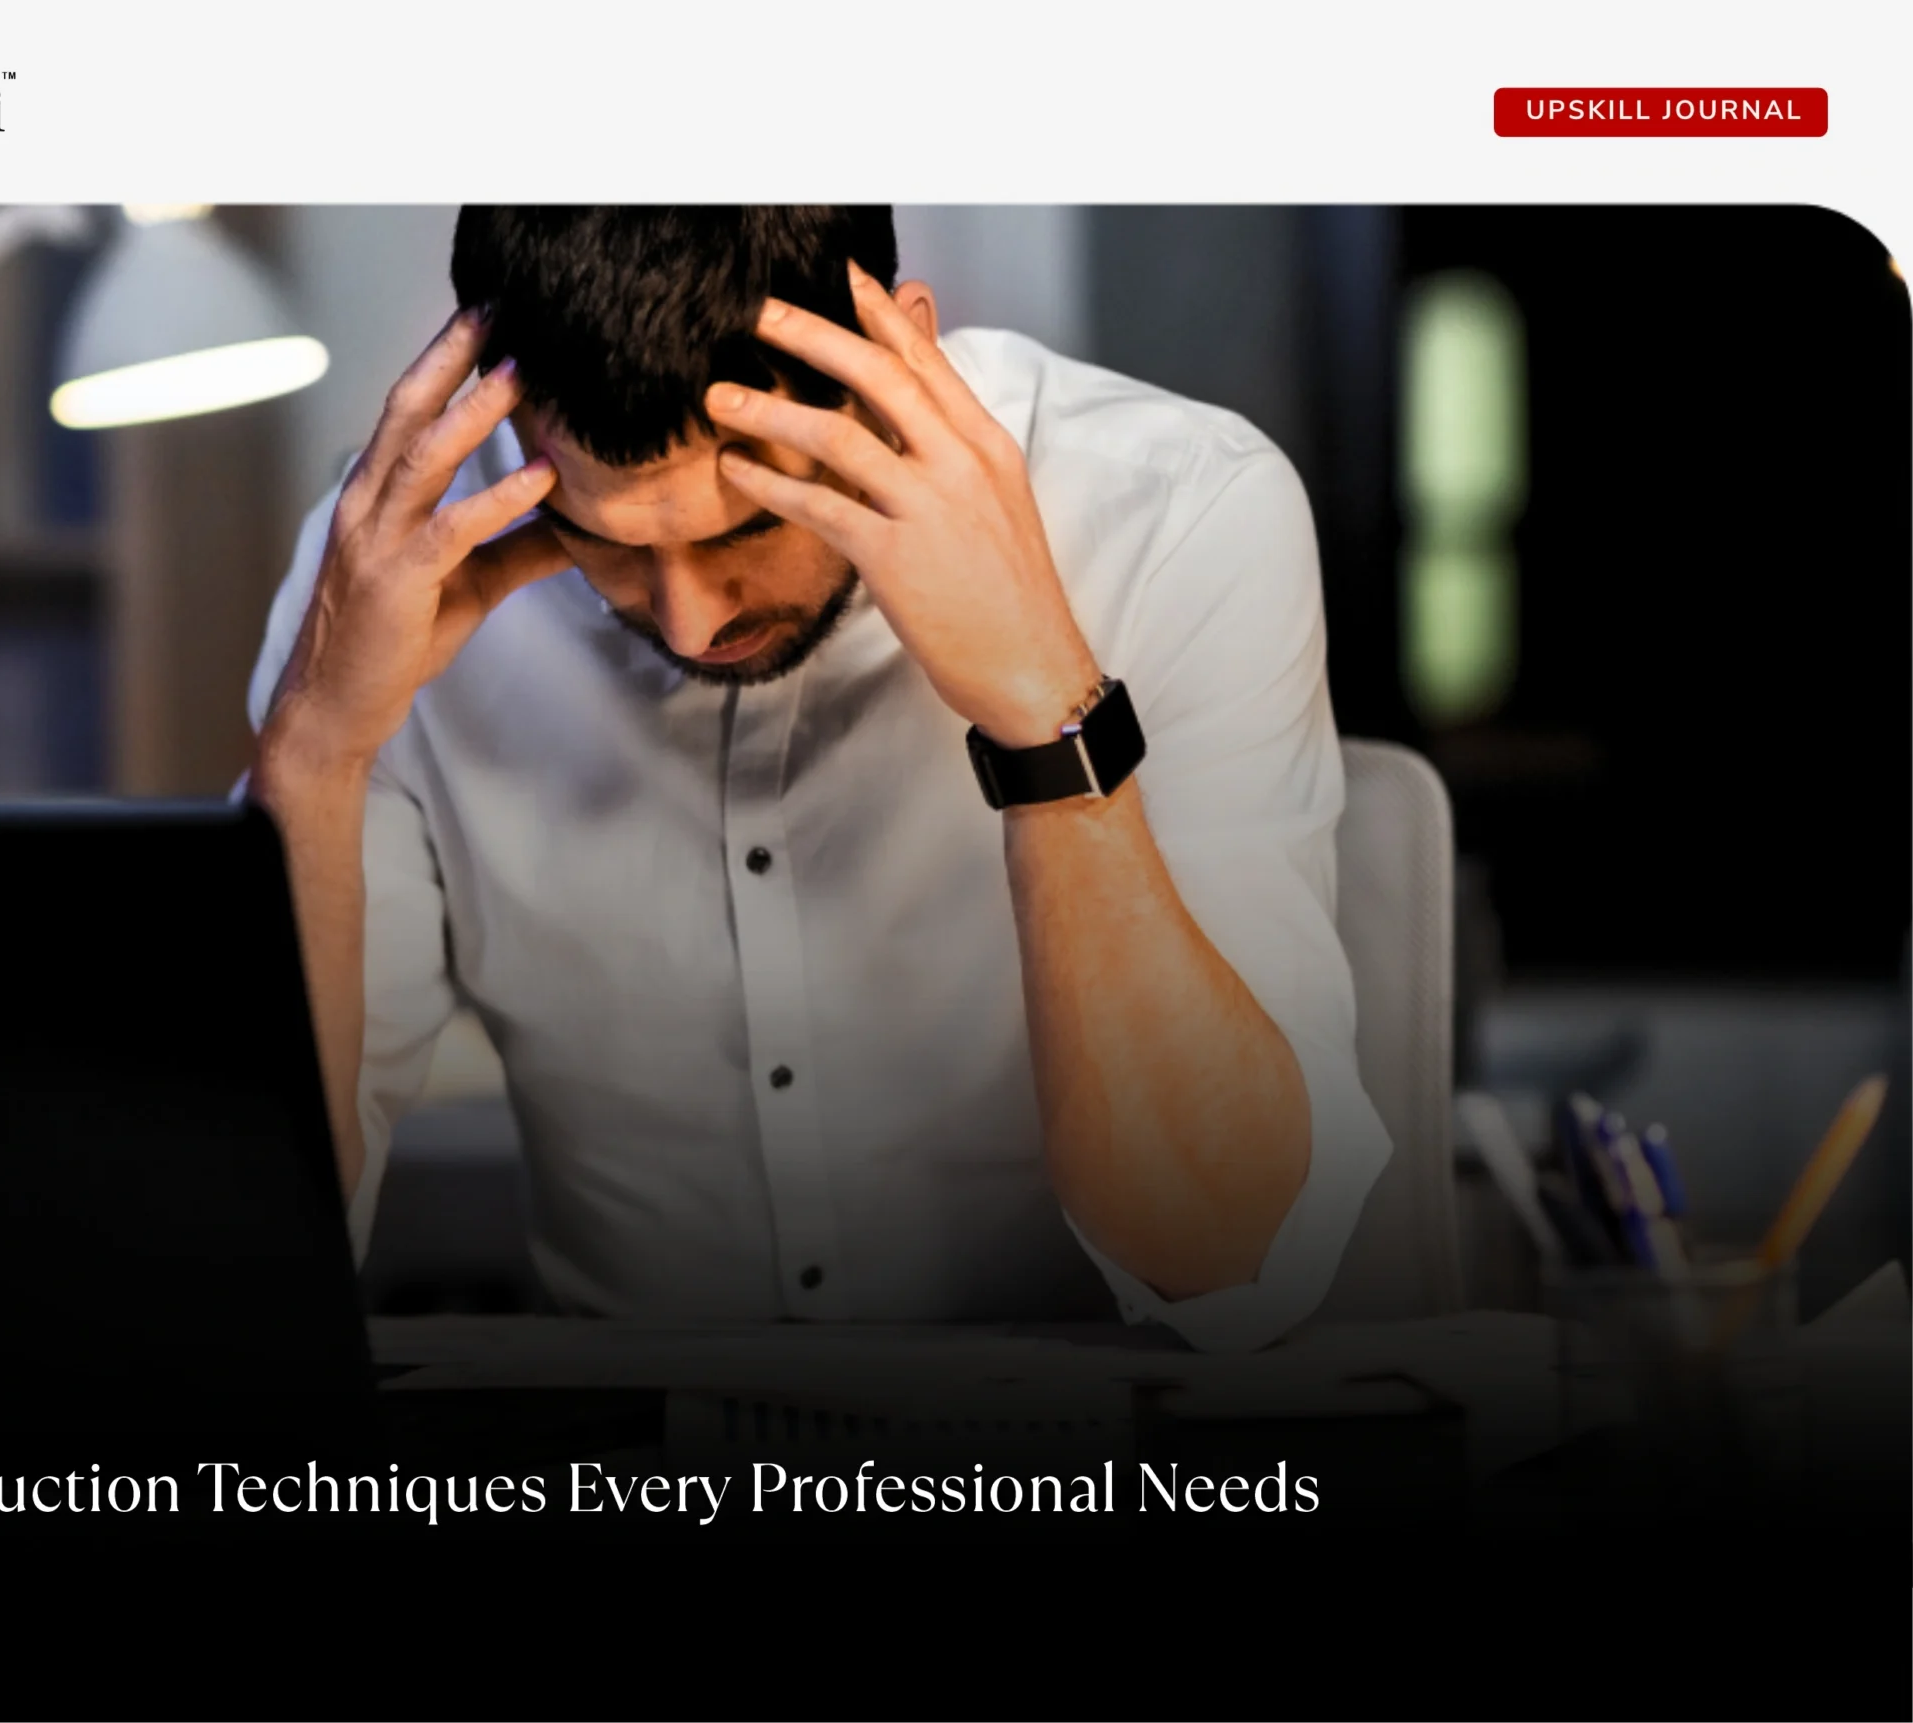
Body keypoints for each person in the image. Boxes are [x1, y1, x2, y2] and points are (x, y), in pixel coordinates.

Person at [246, 207, 1390, 1350]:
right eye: (604, 541)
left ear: (899, 362)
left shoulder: (1182, 513)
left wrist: (1046, 714)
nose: (690, 623)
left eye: (748, 525)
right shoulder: (386, 575)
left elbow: (1224, 1250)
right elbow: (258, 1239)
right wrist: (313, 753)